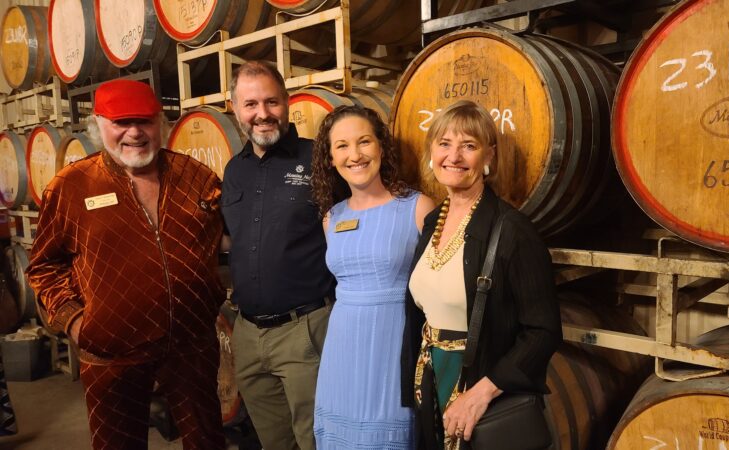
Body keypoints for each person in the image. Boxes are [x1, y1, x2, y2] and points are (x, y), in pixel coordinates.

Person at [26, 79, 226, 449]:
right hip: (111, 353)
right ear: (98, 123)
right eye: (122, 122)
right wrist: (76, 322)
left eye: (145, 121)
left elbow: (230, 236)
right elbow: (43, 266)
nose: (135, 132)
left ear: (160, 123)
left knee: (207, 440)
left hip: (191, 344)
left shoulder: (195, 176)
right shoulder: (71, 185)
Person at [401, 100, 562, 449]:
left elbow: (543, 331)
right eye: (444, 143)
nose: (454, 156)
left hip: (478, 385)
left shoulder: (512, 230)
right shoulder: (433, 222)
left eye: (468, 146)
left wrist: (481, 393)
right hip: (431, 379)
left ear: (488, 157)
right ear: (432, 151)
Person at [222, 60, 336, 450]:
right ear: (233, 107)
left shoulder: (318, 159)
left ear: (287, 103)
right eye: (250, 104)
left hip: (303, 330)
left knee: (316, 440)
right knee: (274, 442)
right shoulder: (233, 171)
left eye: (272, 102)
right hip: (248, 335)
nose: (262, 114)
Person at [310, 105, 435, 448]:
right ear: (330, 158)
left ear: (381, 147)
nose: (355, 155)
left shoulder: (418, 207)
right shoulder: (331, 217)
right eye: (342, 146)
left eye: (364, 142)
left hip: (395, 342)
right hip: (342, 345)